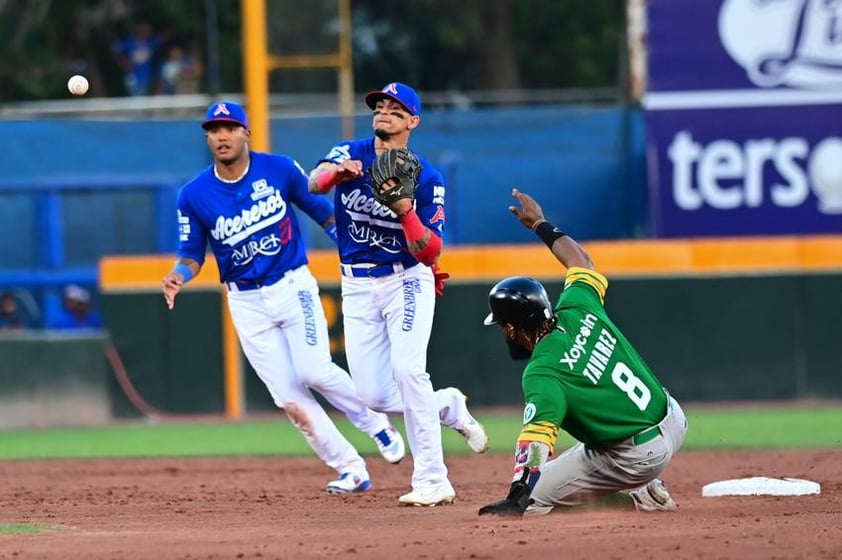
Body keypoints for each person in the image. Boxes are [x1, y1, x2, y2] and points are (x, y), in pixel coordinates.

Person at [162, 101, 406, 494]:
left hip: (293, 285)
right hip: (245, 301)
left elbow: (323, 212)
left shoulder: (279, 168)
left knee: (314, 371)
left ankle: (375, 423)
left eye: (229, 127)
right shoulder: (193, 195)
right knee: (289, 399)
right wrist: (178, 275)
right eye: (213, 129)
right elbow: (192, 254)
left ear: (246, 133)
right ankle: (350, 468)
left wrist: (356, 249)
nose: (221, 136)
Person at [308, 82, 489, 507]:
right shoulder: (348, 151)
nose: (384, 111)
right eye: (380, 105)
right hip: (355, 283)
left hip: (405, 279)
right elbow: (315, 183)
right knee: (372, 395)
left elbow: (430, 250)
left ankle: (432, 478)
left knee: (409, 372)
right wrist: (339, 172)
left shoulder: (427, 177)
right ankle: (445, 406)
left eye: (395, 108)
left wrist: (404, 210)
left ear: (413, 122)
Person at [478, 189, 688, 517]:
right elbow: (581, 261)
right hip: (673, 418)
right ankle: (640, 485)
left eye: (503, 324)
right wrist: (541, 225)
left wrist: (517, 496)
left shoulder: (543, 371)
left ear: (514, 327)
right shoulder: (577, 306)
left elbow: (537, 441)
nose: (504, 332)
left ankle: (637, 498)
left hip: (638, 457)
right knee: (581, 454)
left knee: (536, 500)